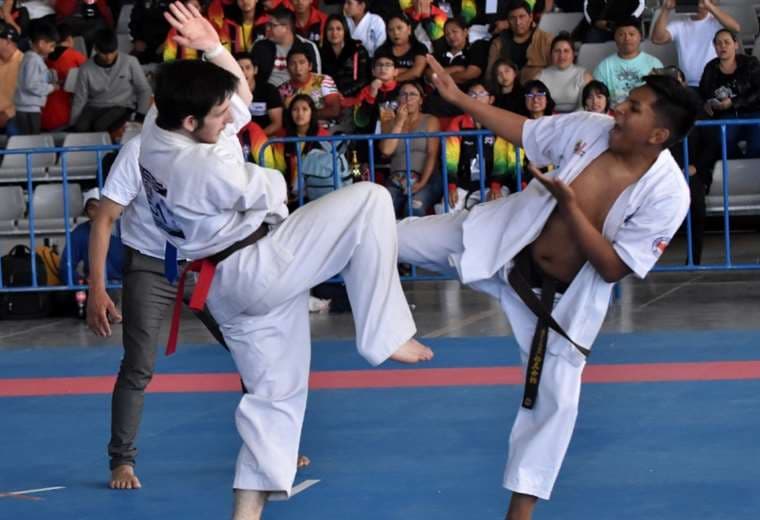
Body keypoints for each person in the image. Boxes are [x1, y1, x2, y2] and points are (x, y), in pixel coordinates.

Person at [140, 5, 433, 518]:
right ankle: (382, 333)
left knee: (273, 401)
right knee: (369, 201)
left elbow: (238, 98)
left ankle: (245, 514)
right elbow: (272, 188)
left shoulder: (158, 126)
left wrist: (212, 46)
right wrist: (268, 182)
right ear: (191, 122)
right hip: (258, 264)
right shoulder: (197, 166)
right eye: (217, 118)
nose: (229, 118)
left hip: (225, 290)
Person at [398, 53, 697, 520]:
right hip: (502, 240)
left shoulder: (668, 194)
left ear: (658, 136)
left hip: (560, 306)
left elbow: (615, 267)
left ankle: (519, 516)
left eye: (634, 108)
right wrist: (458, 99)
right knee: (389, 238)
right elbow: (525, 131)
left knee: (554, 408)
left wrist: (571, 206)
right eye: (625, 101)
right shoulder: (591, 127)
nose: (618, 108)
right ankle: (376, 319)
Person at [439, 82, 515, 212]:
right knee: (446, 209)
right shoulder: (458, 123)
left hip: (492, 184)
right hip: (463, 184)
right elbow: (449, 158)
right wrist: (451, 187)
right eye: (472, 94)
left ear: (491, 99)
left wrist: (495, 186)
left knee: (498, 207)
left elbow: (501, 159)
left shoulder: (498, 122)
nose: (476, 97)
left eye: (481, 94)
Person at [70, 28, 153, 131]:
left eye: (112, 52)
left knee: (100, 126)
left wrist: (141, 115)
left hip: (121, 105)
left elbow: (144, 89)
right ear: (96, 49)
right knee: (80, 128)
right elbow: (80, 98)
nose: (109, 57)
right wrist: (73, 123)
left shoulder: (130, 62)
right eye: (104, 53)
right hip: (94, 106)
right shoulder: (85, 68)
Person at [379, 81, 441, 217]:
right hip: (396, 180)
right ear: (398, 99)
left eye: (413, 94)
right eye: (404, 95)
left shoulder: (431, 120)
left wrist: (422, 183)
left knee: (414, 208)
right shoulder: (389, 122)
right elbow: (386, 151)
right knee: (384, 210)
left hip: (426, 179)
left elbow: (432, 154)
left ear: (421, 100)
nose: (408, 99)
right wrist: (399, 122)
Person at [651, 0, 740, 89]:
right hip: (688, 85)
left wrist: (709, 6)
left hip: (714, 83)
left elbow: (736, 28)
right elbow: (657, 39)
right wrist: (666, 10)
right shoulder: (679, 24)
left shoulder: (716, 22)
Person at [592, 18, 663, 107]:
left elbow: (661, 97)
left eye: (631, 34)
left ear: (640, 36)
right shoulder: (603, 67)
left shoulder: (654, 64)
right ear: (615, 37)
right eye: (621, 34)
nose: (627, 38)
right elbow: (598, 99)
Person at [61, 187, 124, 285]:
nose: (98, 211)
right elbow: (66, 266)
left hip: (125, 285)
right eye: (92, 207)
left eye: (102, 206)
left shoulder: (124, 228)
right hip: (95, 286)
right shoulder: (79, 233)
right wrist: (81, 283)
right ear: (86, 212)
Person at [250, 5, 321, 88]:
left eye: (272, 25)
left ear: (286, 28)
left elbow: (315, 79)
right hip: (267, 96)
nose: (267, 29)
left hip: (299, 95)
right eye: (267, 25)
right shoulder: (260, 46)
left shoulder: (307, 46)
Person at [486, 0, 553, 83]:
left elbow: (554, 73)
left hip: (536, 91)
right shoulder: (498, 44)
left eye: (522, 16)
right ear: (508, 20)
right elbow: (489, 77)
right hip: (506, 92)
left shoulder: (546, 40)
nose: (518, 22)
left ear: (530, 17)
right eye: (512, 18)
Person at [11, 21, 58, 135]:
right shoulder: (33, 59)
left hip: (28, 107)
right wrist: (52, 88)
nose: (53, 50)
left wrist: (50, 74)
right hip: (28, 109)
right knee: (32, 141)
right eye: (51, 46)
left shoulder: (33, 58)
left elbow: (36, 78)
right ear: (41, 43)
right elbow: (31, 85)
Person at [277, 45, 341, 123]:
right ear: (287, 68)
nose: (298, 68)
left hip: (324, 129)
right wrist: (286, 109)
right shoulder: (283, 90)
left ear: (310, 66)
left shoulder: (323, 80)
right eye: (293, 64)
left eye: (302, 62)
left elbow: (334, 111)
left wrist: (302, 114)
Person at [41, 23, 87, 131]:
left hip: (43, 116)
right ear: (69, 39)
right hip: (65, 115)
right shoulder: (74, 55)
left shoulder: (44, 58)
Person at [319, 14, 370, 103]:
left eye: (338, 29)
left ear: (345, 31)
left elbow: (364, 79)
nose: (334, 33)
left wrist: (342, 93)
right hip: (327, 98)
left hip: (352, 98)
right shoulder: (319, 52)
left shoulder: (357, 49)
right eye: (330, 29)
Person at [537, 32, 592, 113]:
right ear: (551, 54)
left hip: (577, 119)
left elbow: (585, 106)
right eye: (557, 51)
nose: (561, 56)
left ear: (573, 54)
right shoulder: (540, 76)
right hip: (549, 119)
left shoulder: (584, 76)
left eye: (566, 51)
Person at [235, 50, 283, 137]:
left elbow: (277, 123)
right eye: (239, 68)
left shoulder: (269, 90)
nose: (243, 72)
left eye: (248, 68)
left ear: (255, 70)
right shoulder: (229, 92)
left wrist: (256, 137)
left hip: (265, 139)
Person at [374, 13, 427, 82]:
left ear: (409, 29)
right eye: (391, 30)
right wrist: (407, 71)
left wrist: (393, 79)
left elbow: (417, 72)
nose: (395, 33)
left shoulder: (419, 47)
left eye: (399, 28)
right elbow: (378, 74)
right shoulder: (382, 51)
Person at [579, 0, 644, 43]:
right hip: (601, 28)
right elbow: (587, 7)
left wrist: (623, 24)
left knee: (630, 39)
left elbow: (640, 6)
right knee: (592, 40)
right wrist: (595, 22)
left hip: (627, 25)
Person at [0, 21, 23, 135]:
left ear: (8, 41)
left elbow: (28, 97)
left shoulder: (24, 62)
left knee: (14, 129)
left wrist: (7, 114)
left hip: (15, 114)